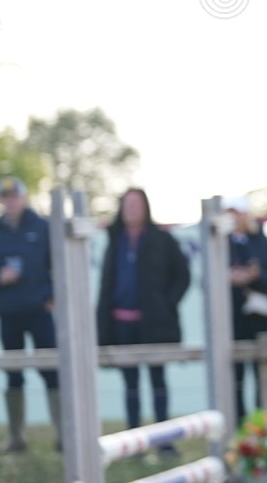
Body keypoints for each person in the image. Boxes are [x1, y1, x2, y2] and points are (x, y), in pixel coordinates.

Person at [96, 187, 191, 455]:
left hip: (154, 325)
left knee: (157, 381)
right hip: (122, 323)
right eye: (127, 204)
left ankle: (163, 440)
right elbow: (107, 283)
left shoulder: (162, 240)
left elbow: (182, 276)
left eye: (136, 204)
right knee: (130, 384)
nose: (131, 209)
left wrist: (165, 304)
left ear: (146, 207)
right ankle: (134, 442)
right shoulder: (115, 240)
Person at [0, 176, 61, 452]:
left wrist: (51, 296)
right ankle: (17, 438)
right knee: (13, 374)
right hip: (9, 314)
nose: (10, 202)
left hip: (40, 312)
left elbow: (59, 264)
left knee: (51, 370)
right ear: (0, 201)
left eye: (14, 196)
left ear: (24, 197)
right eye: (5, 198)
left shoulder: (42, 227)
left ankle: (64, 435)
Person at [225, 195, 267, 424]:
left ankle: (263, 424)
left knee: (262, 373)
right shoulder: (220, 242)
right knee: (234, 375)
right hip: (231, 317)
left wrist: (255, 276)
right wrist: (228, 277)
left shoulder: (259, 240)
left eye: (236, 212)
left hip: (258, 317)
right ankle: (238, 423)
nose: (233, 217)